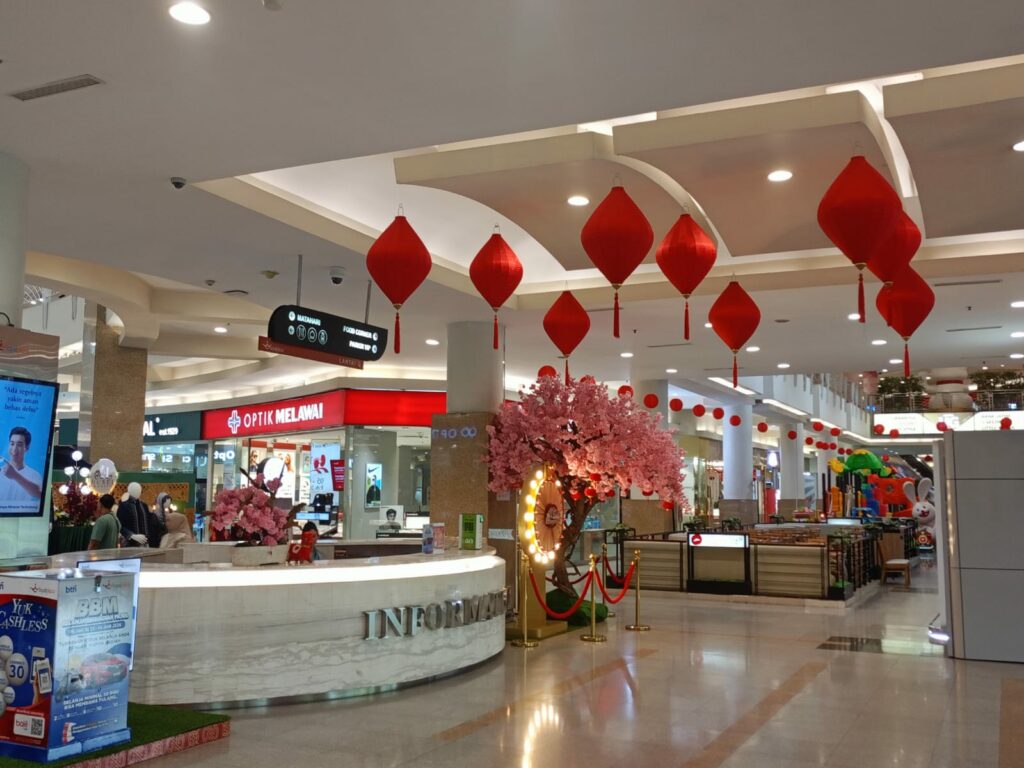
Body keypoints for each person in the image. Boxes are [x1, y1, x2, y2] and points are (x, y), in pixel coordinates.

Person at [0, 427, 43, 507]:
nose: (14, 449)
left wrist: (15, 475)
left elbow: (40, 494)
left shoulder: (34, 475)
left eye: (19, 445)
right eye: (12, 444)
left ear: (27, 448)